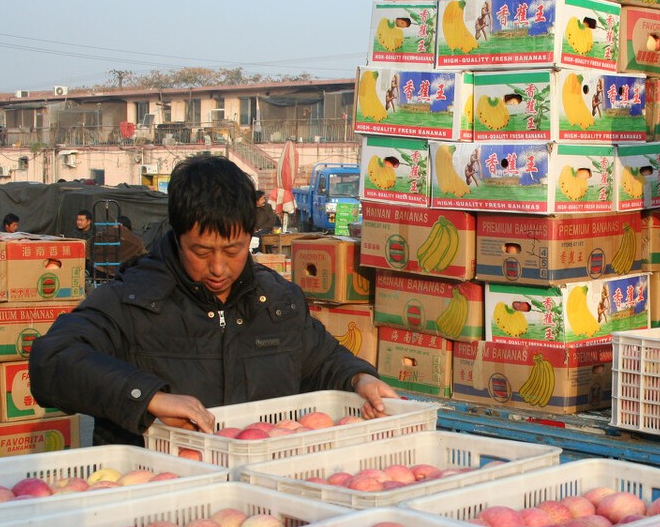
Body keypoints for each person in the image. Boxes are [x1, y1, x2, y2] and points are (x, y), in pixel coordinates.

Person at [29, 155, 398, 446]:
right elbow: (51, 360)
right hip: (162, 497)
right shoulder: (131, 301)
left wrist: (359, 378)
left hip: (260, 498)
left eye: (233, 250)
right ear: (178, 235)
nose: (219, 267)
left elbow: (322, 360)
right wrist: (148, 397)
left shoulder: (278, 301)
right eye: (202, 251)